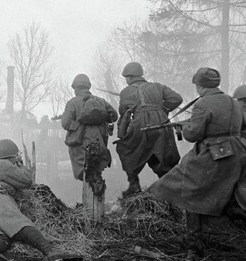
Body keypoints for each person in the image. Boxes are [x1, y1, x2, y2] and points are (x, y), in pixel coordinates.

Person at [0, 139, 79, 261]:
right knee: (20, 225)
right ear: (12, 156)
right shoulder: (3, 164)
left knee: (2, 238)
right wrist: (20, 164)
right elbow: (27, 180)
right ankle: (51, 251)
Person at [150, 68, 246, 221]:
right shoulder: (234, 103)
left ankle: (193, 235)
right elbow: (241, 126)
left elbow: (193, 135)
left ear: (201, 86)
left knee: (184, 182)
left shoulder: (202, 104)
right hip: (239, 152)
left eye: (197, 86)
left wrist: (183, 128)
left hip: (214, 153)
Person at [116, 62, 183, 194]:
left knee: (126, 149)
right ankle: (169, 188)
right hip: (161, 123)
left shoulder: (125, 92)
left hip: (139, 124)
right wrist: (162, 109)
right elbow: (177, 99)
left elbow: (123, 111)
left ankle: (134, 184)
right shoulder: (158, 86)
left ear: (129, 77)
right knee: (164, 154)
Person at [60, 74, 118, 185]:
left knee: (86, 176)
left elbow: (65, 123)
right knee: (96, 173)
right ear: (88, 87)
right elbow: (114, 116)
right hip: (99, 143)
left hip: (80, 145)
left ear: (76, 88)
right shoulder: (100, 101)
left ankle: (90, 198)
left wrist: (78, 123)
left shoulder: (73, 102)